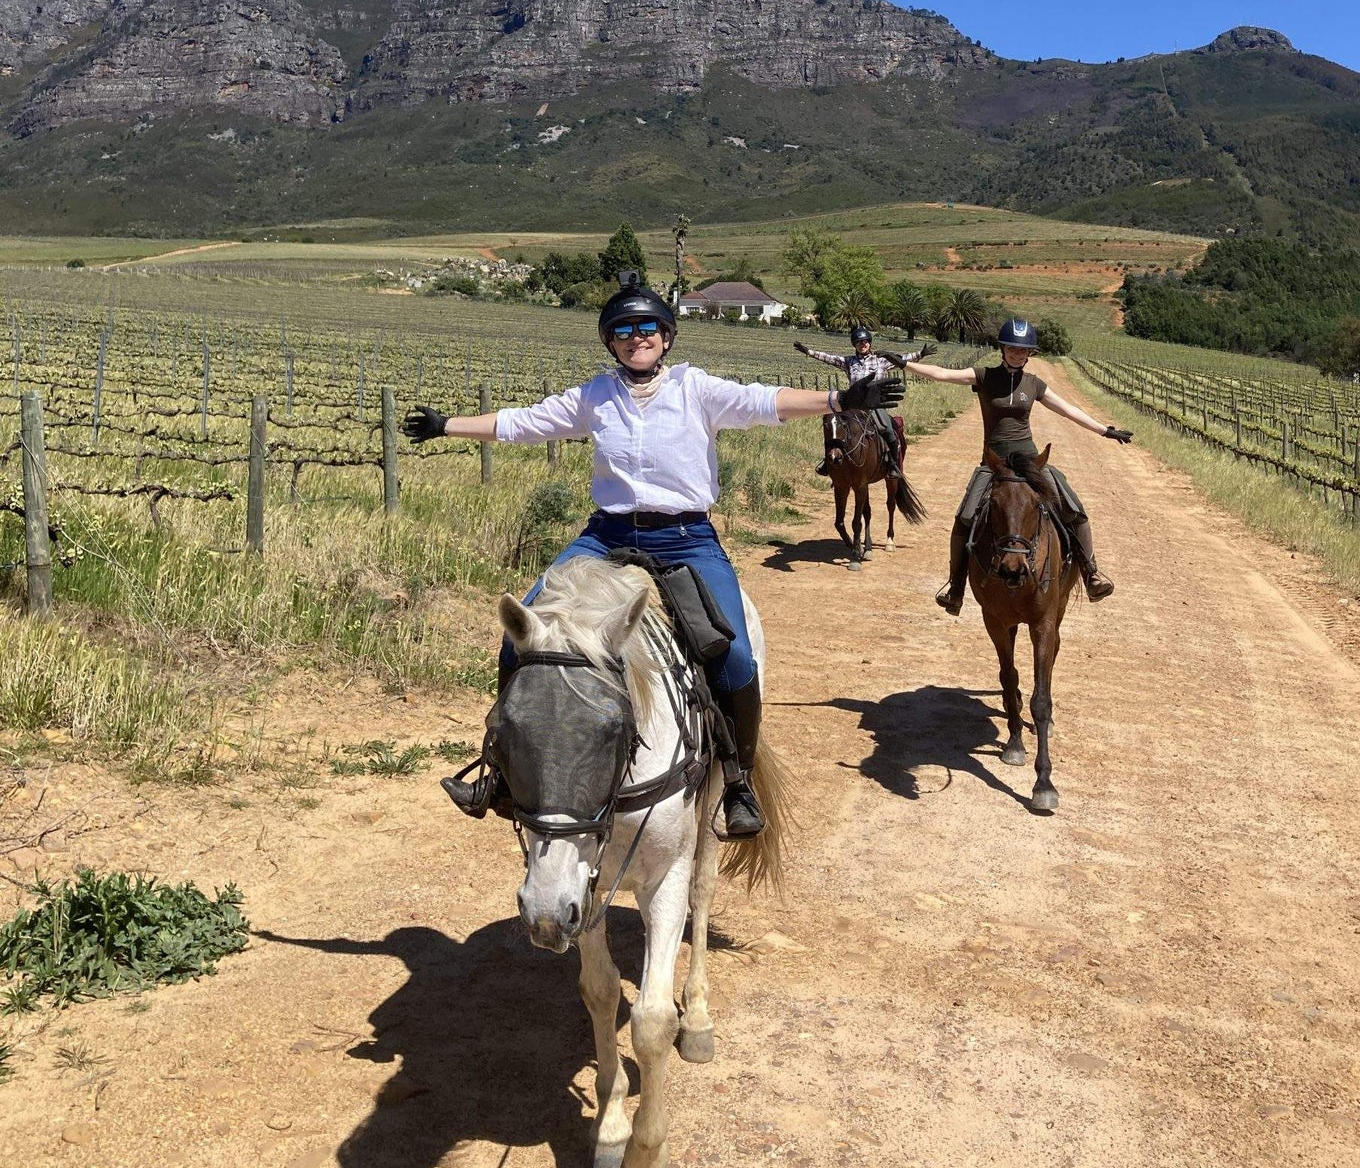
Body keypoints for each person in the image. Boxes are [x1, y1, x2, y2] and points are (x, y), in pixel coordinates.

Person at [404, 274, 902, 839]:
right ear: (609, 341)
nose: (635, 337)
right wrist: (447, 426)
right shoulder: (596, 396)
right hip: (606, 535)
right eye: (622, 329)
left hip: (685, 537)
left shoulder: (697, 389)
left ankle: (737, 780)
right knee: (522, 636)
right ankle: (499, 772)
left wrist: (839, 399)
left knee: (735, 659)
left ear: (666, 337)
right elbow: (524, 422)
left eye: (646, 327)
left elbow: (764, 403)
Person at [902, 317, 1132, 609]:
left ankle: (1091, 573)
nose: (1017, 354)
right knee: (965, 516)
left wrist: (1105, 430)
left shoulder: (1034, 384)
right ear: (1003, 348)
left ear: (1029, 354)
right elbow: (941, 374)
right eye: (1012, 348)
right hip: (995, 462)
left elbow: (1068, 410)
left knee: (1073, 507)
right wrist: (904, 363)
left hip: (1030, 461)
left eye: (1023, 350)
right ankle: (956, 587)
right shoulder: (984, 375)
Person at [794, 324, 924, 475]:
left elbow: (902, 360)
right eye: (859, 343)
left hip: (874, 404)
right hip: (853, 404)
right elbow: (828, 358)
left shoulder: (881, 361)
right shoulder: (848, 362)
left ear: (869, 343)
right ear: (854, 345)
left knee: (887, 429)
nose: (862, 345)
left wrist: (921, 353)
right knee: (833, 427)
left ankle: (893, 464)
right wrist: (808, 351)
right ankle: (827, 463)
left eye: (865, 342)